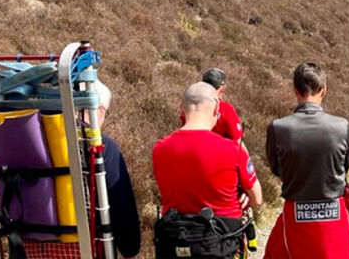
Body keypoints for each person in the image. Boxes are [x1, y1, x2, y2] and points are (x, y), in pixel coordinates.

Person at [264, 62, 349, 259]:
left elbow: (276, 168)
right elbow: (345, 166)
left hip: (295, 212)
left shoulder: (278, 127)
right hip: (335, 212)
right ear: (324, 90)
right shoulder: (342, 126)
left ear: (295, 90)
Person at [153, 82, 263, 256]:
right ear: (217, 108)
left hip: (174, 241)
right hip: (222, 241)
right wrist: (242, 194)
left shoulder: (160, 149)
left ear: (181, 109)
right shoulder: (234, 150)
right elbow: (257, 198)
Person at [91, 81, 141, 259]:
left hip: (29, 248)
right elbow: (121, 204)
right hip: (89, 248)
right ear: (99, 110)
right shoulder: (104, 148)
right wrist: (130, 248)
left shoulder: (35, 141)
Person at [179, 67, 244, 142]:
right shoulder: (226, 109)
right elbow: (238, 141)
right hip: (218, 151)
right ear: (222, 88)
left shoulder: (190, 105)